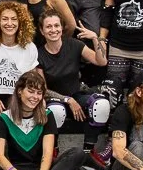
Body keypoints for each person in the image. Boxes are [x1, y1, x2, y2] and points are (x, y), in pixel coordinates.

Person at [37, 9, 110, 155]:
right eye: (48, 26)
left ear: (62, 27)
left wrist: (95, 38)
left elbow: (101, 61)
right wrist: (67, 100)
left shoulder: (74, 44)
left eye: (56, 25)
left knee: (101, 104)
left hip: (76, 94)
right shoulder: (38, 54)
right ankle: (53, 151)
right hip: (53, 99)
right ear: (42, 31)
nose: (53, 30)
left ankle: (88, 151)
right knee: (56, 111)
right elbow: (42, 90)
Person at [0, 0, 40, 157]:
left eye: (14, 19)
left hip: (18, 95)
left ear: (20, 22)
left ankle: (18, 150)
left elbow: (32, 81)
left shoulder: (29, 47)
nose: (9, 23)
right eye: (5, 19)